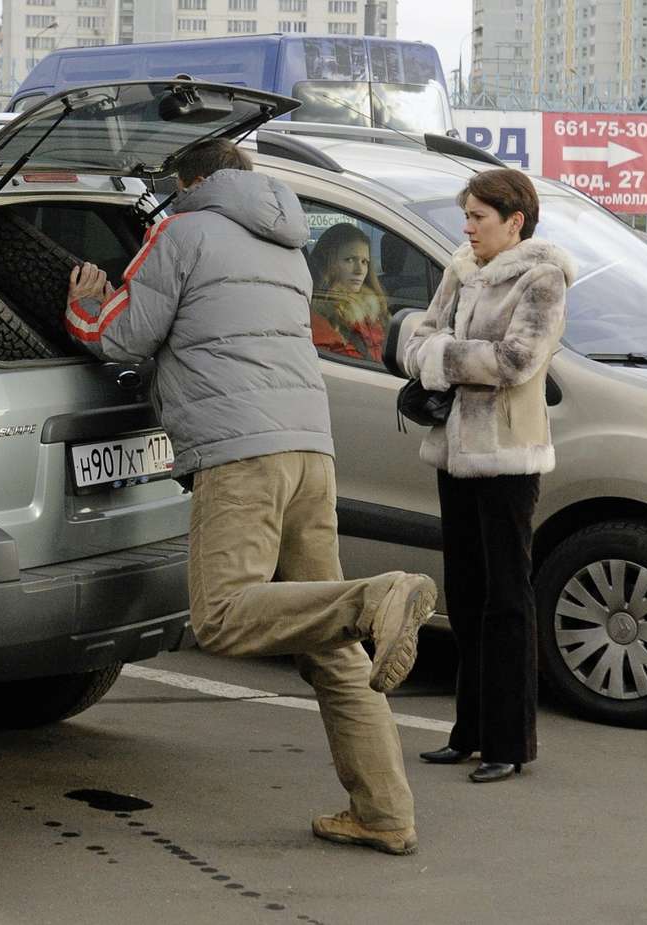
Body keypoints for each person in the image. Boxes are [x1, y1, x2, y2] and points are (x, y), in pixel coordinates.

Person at [64, 138, 437, 855]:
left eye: (176, 185)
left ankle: (376, 596)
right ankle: (384, 811)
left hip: (241, 451)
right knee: (330, 645)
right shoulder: (288, 242)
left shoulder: (181, 232)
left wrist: (85, 302)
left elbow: (124, 335)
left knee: (224, 614)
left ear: (192, 181)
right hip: (309, 449)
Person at [400, 168, 575, 784]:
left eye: (478, 216)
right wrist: (438, 356)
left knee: (507, 599)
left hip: (507, 454)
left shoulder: (542, 277)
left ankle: (509, 742)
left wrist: (440, 360)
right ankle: (467, 732)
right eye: (466, 215)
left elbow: (517, 360)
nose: (467, 226)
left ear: (514, 221)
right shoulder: (462, 267)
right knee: (467, 594)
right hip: (454, 451)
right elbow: (415, 337)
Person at [308, 223, 391, 363]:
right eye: (350, 260)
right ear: (329, 263)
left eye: (364, 262)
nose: (359, 270)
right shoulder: (319, 318)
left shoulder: (376, 311)